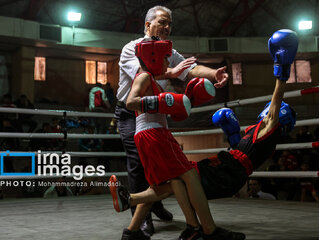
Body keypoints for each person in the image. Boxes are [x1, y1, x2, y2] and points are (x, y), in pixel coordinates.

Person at [110, 29, 299, 240]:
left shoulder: (150, 77)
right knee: (186, 178)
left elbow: (161, 85)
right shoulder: (144, 77)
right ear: (153, 57)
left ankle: (134, 225)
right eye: (164, 58)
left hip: (154, 135)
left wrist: (181, 94)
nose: (168, 62)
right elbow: (132, 101)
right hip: (156, 136)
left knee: (171, 183)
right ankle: (203, 229)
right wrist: (282, 73)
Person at [115, 5, 229, 236]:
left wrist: (213, 74)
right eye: (162, 22)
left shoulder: (168, 50)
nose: (167, 27)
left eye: (169, 23)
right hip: (132, 113)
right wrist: (173, 72)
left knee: (168, 172)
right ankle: (143, 216)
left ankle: (151, 209)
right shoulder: (133, 48)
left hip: (158, 114)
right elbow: (146, 75)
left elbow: (190, 68)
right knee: (142, 163)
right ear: (148, 25)